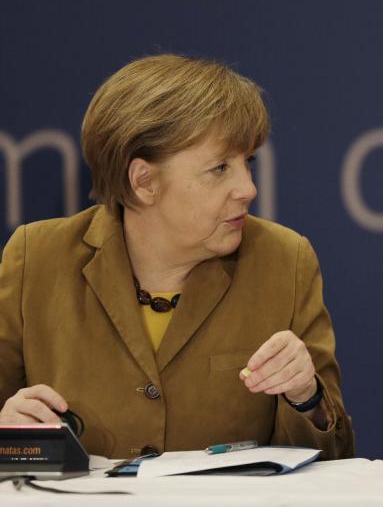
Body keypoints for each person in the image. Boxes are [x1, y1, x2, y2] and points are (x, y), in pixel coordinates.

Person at [0, 54, 355, 460]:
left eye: (247, 162)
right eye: (220, 168)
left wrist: (304, 396)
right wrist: (9, 428)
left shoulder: (284, 261)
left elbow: (336, 459)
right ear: (144, 181)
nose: (248, 188)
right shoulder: (37, 258)